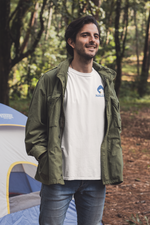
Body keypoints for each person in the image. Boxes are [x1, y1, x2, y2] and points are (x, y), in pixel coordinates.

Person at [25, 15, 123, 225]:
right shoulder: (51, 80)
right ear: (71, 41)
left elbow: (113, 128)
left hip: (96, 178)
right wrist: (46, 158)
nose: (92, 40)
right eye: (85, 35)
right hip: (59, 177)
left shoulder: (105, 81)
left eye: (96, 36)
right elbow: (34, 130)